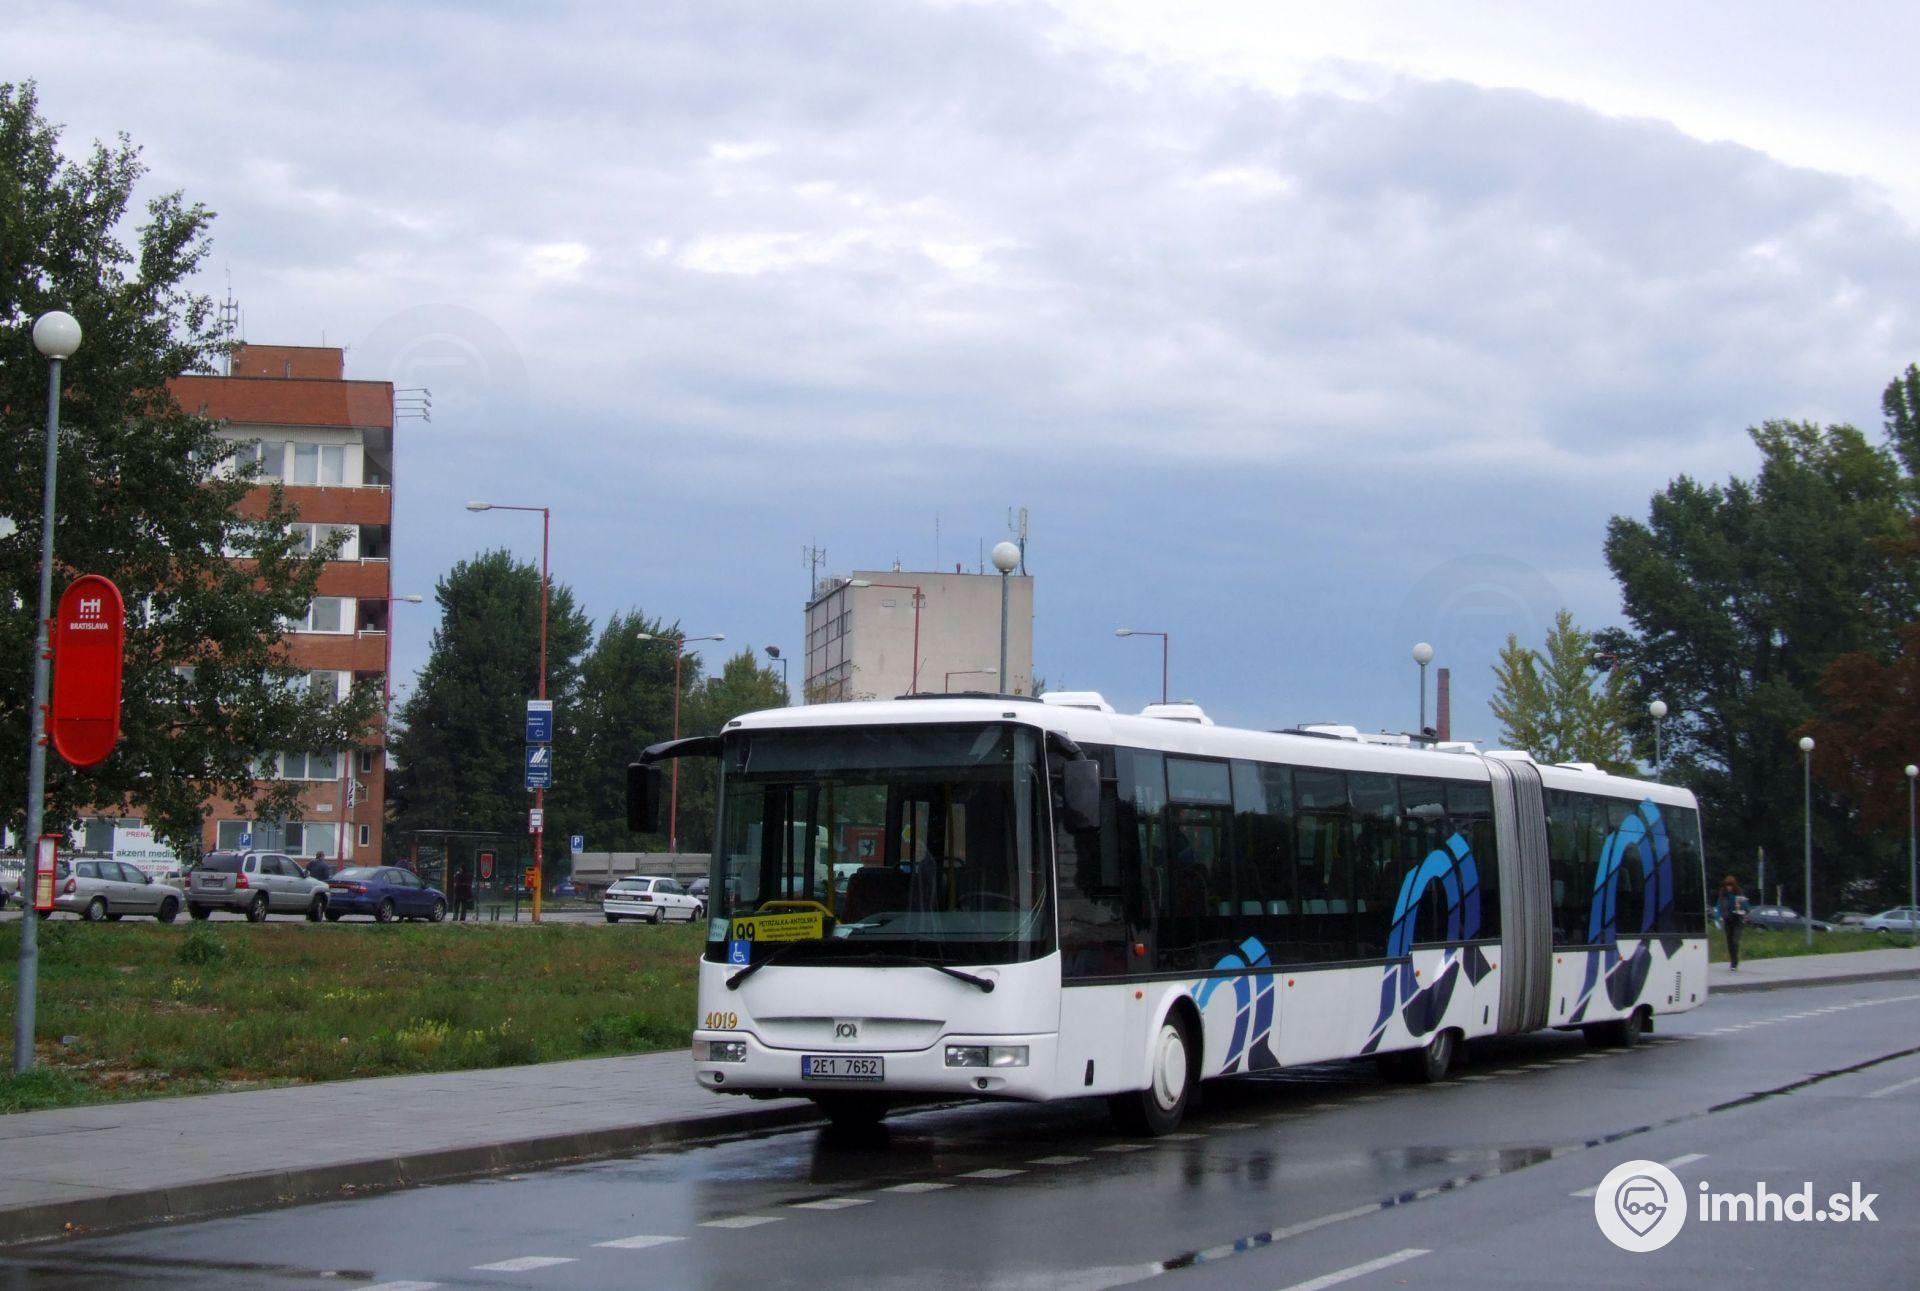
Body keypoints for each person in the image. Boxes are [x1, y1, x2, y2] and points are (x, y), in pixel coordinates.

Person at [1715, 875, 1748, 970]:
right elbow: (1718, 906)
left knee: (1735, 940)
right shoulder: (1723, 894)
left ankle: (1735, 962)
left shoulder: (1739, 893)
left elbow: (1745, 906)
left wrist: (1742, 908)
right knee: (1729, 942)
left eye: (1731, 885)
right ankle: (1733, 961)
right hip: (1728, 920)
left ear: (1734, 886)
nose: (1729, 887)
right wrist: (1718, 917)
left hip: (1738, 920)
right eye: (1727, 885)